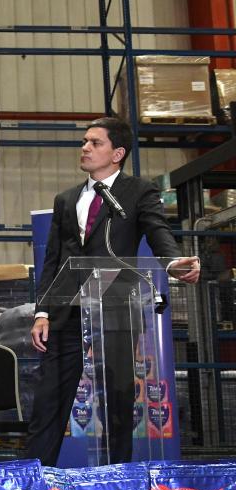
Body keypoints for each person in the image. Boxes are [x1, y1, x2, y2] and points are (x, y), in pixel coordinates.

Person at [27, 116, 200, 466]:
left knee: (119, 397)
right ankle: (36, 477)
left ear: (117, 153)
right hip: (67, 310)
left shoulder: (138, 192)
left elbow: (157, 230)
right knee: (49, 398)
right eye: (84, 142)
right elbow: (55, 261)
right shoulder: (66, 199)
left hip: (116, 308)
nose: (85, 147)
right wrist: (42, 311)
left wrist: (172, 262)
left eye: (95, 142)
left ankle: (118, 476)